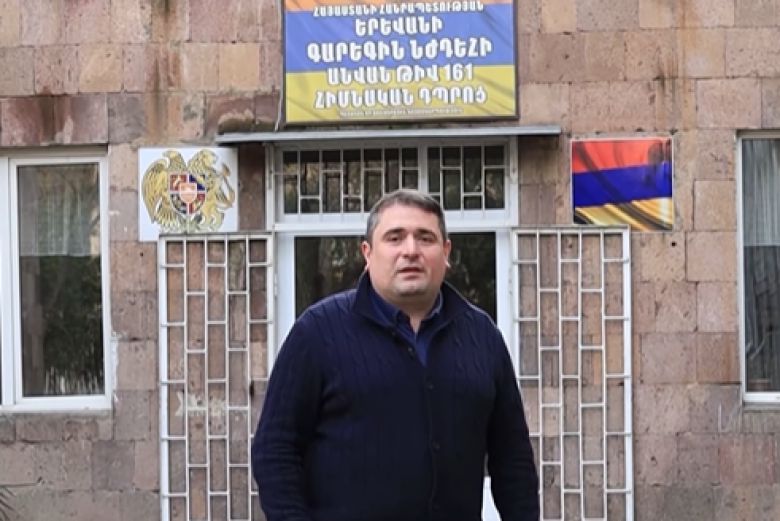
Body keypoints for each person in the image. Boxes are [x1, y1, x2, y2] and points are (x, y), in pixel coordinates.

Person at [251, 189, 539, 521]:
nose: (411, 250)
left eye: (425, 238)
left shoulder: (482, 337)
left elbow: (512, 459)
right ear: (368, 253)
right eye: (395, 237)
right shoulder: (317, 333)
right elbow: (275, 450)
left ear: (446, 252)